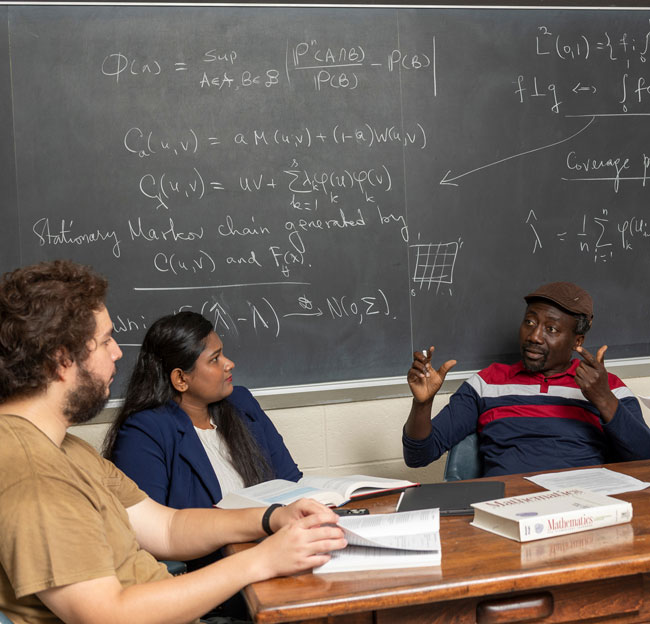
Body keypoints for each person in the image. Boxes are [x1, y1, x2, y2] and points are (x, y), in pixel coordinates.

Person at [0, 260, 346, 624]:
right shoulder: (37, 475)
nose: (118, 352)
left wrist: (272, 517)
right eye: (105, 341)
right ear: (62, 361)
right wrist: (262, 560)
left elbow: (167, 528)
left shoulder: (66, 450)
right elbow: (106, 616)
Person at [103, 311, 301, 582]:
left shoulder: (241, 403)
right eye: (215, 359)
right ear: (180, 379)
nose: (229, 364)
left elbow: (290, 483)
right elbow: (146, 538)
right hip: (212, 580)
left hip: (278, 557)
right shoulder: (145, 431)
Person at [403, 281, 650, 477]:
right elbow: (418, 456)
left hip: (584, 507)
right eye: (529, 322)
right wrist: (422, 404)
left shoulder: (606, 386)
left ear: (577, 341)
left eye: (551, 329)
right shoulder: (487, 384)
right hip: (508, 508)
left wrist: (604, 399)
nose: (534, 336)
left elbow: (644, 460)